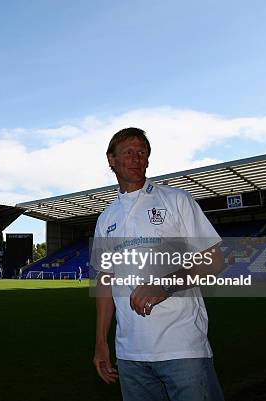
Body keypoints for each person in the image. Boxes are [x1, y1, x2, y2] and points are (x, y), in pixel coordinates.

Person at [93, 128, 225, 401]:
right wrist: (100, 342)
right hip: (130, 353)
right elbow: (105, 280)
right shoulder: (106, 218)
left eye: (142, 152)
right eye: (128, 152)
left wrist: (165, 284)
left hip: (181, 347)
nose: (136, 158)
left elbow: (214, 259)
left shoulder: (176, 200)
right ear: (111, 160)